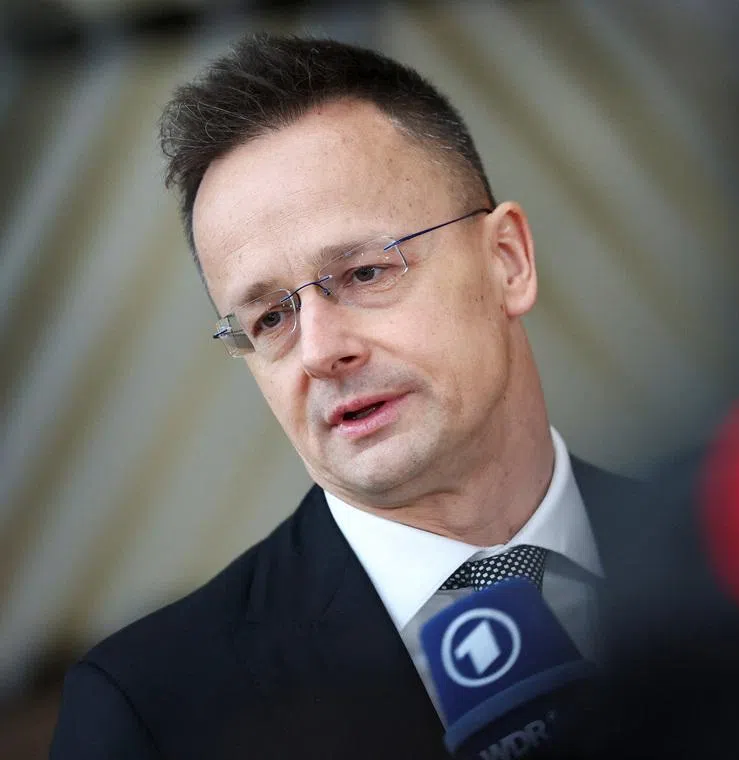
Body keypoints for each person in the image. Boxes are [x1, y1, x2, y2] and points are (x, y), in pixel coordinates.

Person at [50, 33, 633, 759]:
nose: (322, 351)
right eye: (270, 318)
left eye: (363, 273)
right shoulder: (149, 711)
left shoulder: (736, 559)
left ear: (506, 261)